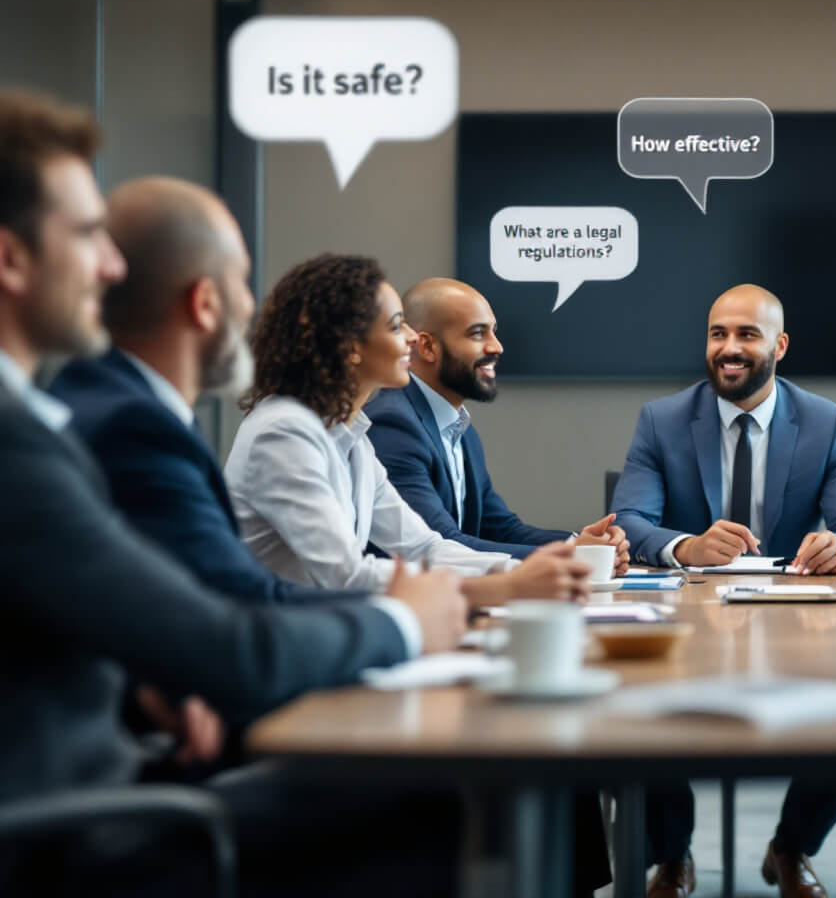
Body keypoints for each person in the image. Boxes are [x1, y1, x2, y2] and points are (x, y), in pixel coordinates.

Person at [0, 88, 469, 896]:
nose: (112, 267)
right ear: (11, 258)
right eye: (86, 235)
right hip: (71, 836)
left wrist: (147, 687)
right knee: (434, 791)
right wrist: (403, 620)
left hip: (107, 778)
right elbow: (234, 638)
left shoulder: (43, 422)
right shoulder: (29, 443)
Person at [611, 284, 836, 898]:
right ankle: (672, 856)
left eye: (747, 335)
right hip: (685, 618)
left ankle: (791, 848)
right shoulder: (662, 419)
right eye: (718, 334)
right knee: (638, 704)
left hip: (794, 616)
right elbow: (628, 519)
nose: (729, 348)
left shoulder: (823, 421)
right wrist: (686, 546)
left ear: (779, 345)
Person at [49, 176, 358, 603]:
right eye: (243, 281)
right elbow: (237, 608)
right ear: (206, 303)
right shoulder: (134, 428)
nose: (252, 306)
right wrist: (405, 616)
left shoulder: (123, 404)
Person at [224, 254, 592, 607]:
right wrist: (503, 587)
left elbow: (423, 547)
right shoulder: (284, 432)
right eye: (396, 325)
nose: (414, 337)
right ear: (351, 347)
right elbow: (346, 575)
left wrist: (518, 572)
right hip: (282, 645)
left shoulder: (350, 436)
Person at [366, 277, 629, 568]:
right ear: (427, 347)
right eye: (478, 334)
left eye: (494, 331)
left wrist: (582, 543)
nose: (497, 347)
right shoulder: (393, 425)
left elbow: (502, 527)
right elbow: (442, 543)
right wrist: (574, 555)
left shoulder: (461, 431)